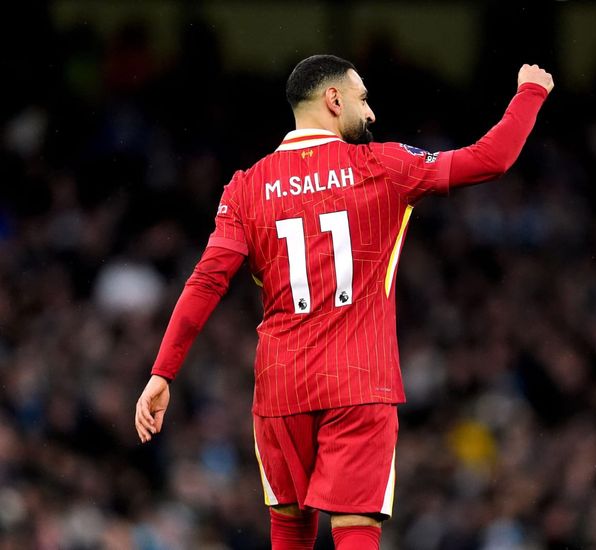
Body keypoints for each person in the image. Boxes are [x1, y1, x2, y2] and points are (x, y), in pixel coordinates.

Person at [135, 54, 553, 549]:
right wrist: (530, 93)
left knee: (290, 528)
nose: (371, 113)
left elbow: (205, 283)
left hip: (281, 388)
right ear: (333, 100)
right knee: (356, 528)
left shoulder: (245, 188)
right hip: (360, 381)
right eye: (362, 99)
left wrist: (163, 372)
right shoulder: (383, 164)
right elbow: (490, 160)